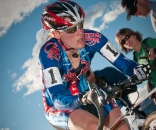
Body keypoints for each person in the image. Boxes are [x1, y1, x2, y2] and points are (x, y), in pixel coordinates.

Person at [38, 1, 151, 130]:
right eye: (71, 29)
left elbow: (124, 63)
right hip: (60, 105)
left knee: (123, 126)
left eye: (80, 25)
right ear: (56, 34)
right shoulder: (49, 54)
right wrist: (81, 99)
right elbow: (58, 98)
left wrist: (136, 69)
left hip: (90, 94)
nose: (80, 32)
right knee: (94, 127)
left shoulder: (92, 38)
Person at [115, 28, 156, 103]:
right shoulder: (135, 59)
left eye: (127, 37)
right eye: (123, 41)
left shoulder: (148, 42)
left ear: (134, 35)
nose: (127, 41)